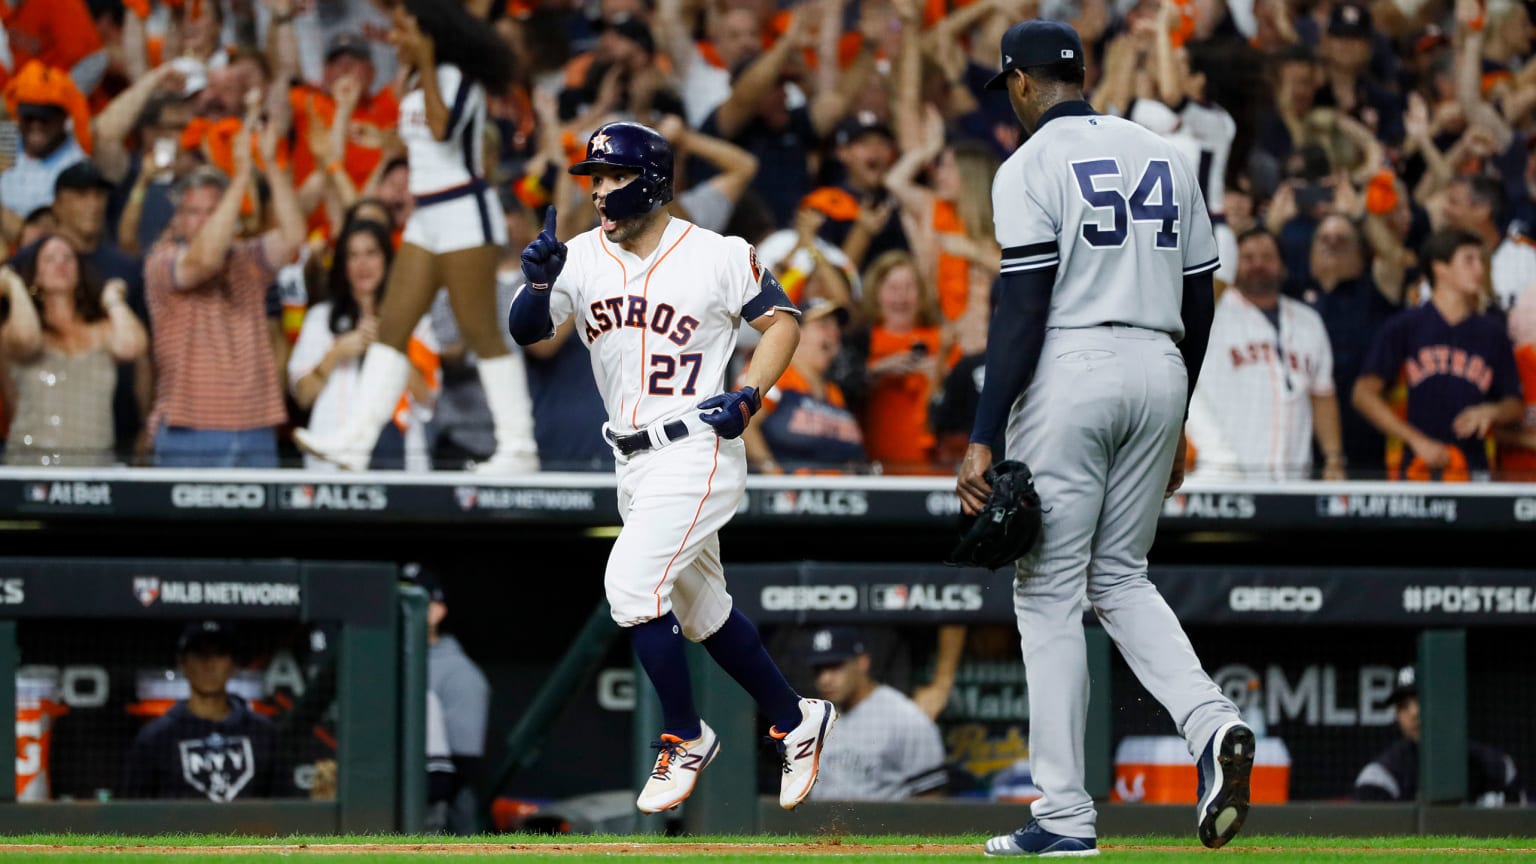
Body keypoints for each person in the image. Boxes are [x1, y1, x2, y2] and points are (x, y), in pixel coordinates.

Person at [954, 21, 1251, 857]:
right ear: (1081, 73)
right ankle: (1209, 722)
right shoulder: (1163, 152)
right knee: (1120, 575)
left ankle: (1063, 816)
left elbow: (1021, 308)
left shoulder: (1028, 165)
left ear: (1019, 83)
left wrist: (982, 434)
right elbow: (1201, 300)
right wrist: (1179, 412)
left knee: (1047, 592)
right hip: (1160, 362)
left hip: (1073, 363)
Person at [508, 120, 837, 815]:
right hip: (631, 460)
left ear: (652, 181)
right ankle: (794, 717)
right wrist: (535, 287)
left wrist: (750, 393)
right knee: (703, 612)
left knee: (629, 585)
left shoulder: (718, 254)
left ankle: (685, 735)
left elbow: (783, 322)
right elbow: (529, 333)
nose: (598, 192)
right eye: (593, 179)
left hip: (698, 447)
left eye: (611, 178)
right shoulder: (579, 256)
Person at [293, 0, 539, 473]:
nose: (393, 37)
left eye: (403, 30)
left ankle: (519, 448)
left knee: (480, 331)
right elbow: (420, 141)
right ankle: (355, 443)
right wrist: (379, 140)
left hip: (465, 211)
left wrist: (426, 60)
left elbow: (444, 130)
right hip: (428, 215)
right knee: (392, 326)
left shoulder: (456, 76)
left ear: (429, 35)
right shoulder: (413, 79)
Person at [144, 107, 306, 468]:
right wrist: (240, 176)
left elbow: (294, 236)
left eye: (213, 212)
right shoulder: (162, 261)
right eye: (194, 212)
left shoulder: (247, 258)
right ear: (178, 218)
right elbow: (203, 261)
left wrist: (269, 163)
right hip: (190, 430)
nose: (204, 221)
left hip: (256, 427)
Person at [1352, 229, 1524, 481]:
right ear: (1440, 268)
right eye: (1469, 260)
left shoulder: (1493, 332)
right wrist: (1416, 439)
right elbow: (1363, 394)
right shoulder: (1404, 327)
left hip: (1474, 466)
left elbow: (1515, 405)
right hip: (1413, 464)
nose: (1479, 268)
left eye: (1481, 260)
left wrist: (1490, 411)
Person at [1185, 228, 1346, 480]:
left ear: (1283, 265)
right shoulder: (1210, 313)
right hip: (1225, 475)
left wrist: (1333, 457)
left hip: (1293, 478)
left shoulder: (1309, 320)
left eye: (1267, 256)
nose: (1258, 264)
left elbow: (1322, 394)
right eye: (1248, 257)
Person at [288, 219, 439, 471]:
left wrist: (390, 344)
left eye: (371, 253)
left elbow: (428, 398)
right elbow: (302, 396)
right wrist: (335, 354)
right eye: (353, 255)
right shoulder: (320, 318)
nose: (362, 264)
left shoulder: (415, 320)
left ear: (387, 259)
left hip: (398, 453)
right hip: (329, 457)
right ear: (342, 264)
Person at [1, 242, 147, 466]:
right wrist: (15, 286)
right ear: (36, 275)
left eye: (68, 258)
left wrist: (113, 299)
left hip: (93, 466)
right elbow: (26, 340)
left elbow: (133, 346)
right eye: (50, 259)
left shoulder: (102, 328)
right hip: (30, 466)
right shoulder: (17, 327)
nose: (61, 263)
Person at [121, 622, 291, 801]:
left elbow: (286, 808)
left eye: (219, 654)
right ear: (182, 664)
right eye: (200, 654)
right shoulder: (156, 739)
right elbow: (134, 816)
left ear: (233, 665)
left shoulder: (263, 734)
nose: (209, 665)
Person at [803, 627, 948, 802]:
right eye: (819, 670)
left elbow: (930, 799)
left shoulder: (905, 717)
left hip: (884, 827)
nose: (825, 679)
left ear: (863, 662)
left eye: (835, 666)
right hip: (825, 826)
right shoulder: (816, 719)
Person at [1354, 666, 1525, 806]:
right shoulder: (1381, 777)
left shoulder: (1496, 768)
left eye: (1422, 700)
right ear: (1397, 715)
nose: (1415, 712)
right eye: (1403, 706)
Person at [403, 563, 490, 836]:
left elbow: (464, 766)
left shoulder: (459, 672)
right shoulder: (378, 660)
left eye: (411, 601)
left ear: (436, 610)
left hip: (441, 809)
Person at [740, 297, 865, 475]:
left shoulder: (833, 392)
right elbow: (745, 424)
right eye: (823, 325)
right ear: (797, 332)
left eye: (836, 328)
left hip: (830, 497)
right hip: (781, 496)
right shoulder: (775, 372)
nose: (834, 333)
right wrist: (773, 474)